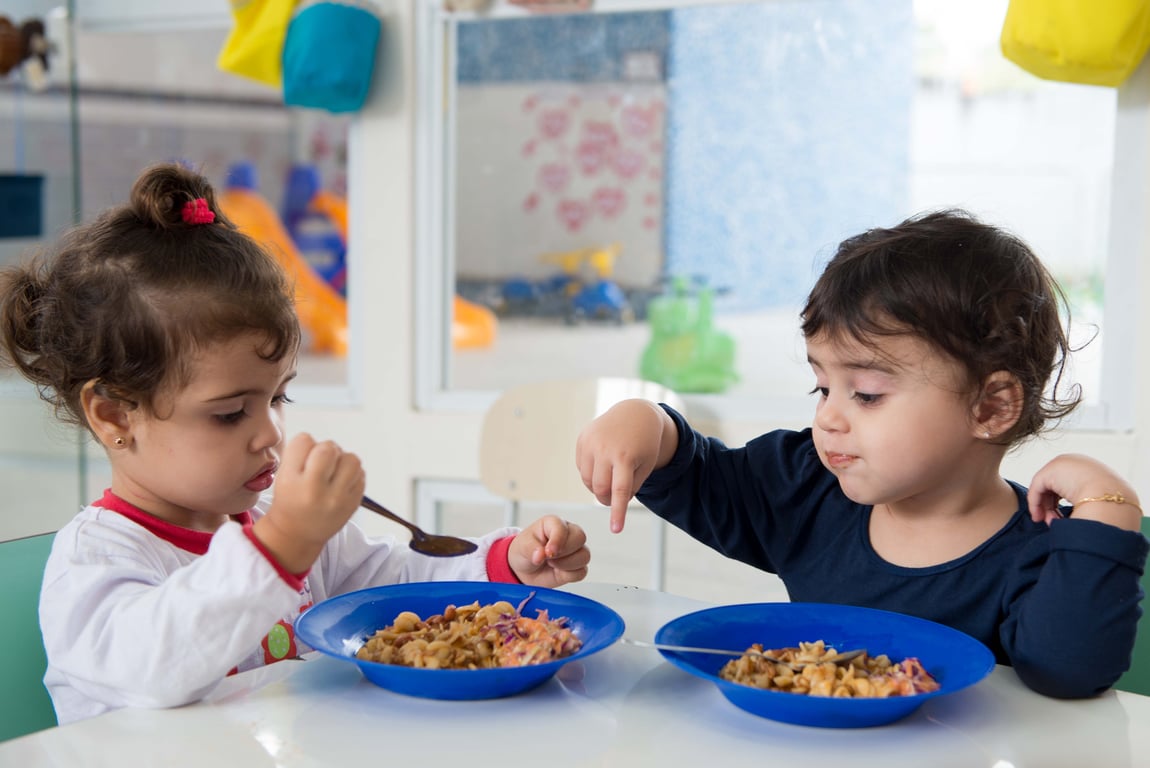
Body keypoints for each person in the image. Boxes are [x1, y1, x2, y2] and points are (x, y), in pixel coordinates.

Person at [0, 163, 590, 725]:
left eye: (278, 398)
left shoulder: (271, 527)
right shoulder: (97, 562)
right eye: (231, 413)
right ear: (111, 415)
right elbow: (158, 666)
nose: (270, 433)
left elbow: (389, 579)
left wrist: (502, 562)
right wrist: (281, 545)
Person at [576, 209, 1148, 699]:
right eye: (822, 387)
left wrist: (1110, 507)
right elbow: (699, 478)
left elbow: (1070, 673)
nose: (828, 417)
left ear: (990, 406)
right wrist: (646, 423)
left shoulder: (1042, 557)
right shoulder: (809, 486)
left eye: (867, 395)